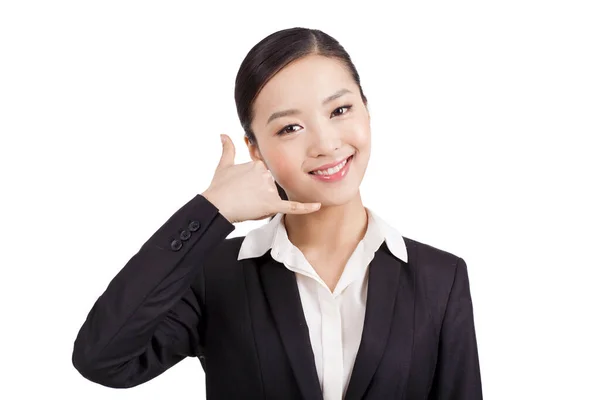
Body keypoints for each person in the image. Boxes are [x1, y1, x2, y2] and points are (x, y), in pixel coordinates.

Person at [72, 27, 483, 399]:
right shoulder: (213, 277)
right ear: (255, 150)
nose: (325, 143)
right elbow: (103, 358)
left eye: (340, 111)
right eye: (290, 128)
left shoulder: (439, 279)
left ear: (366, 110)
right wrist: (210, 211)